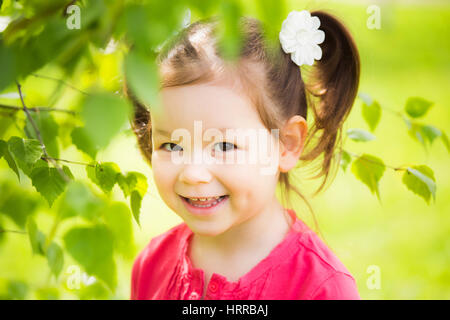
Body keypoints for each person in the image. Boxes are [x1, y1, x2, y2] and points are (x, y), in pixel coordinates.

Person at [127, 9, 361, 300]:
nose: (193, 173)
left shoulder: (319, 288)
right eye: (173, 146)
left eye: (224, 146)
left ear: (285, 144)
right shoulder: (151, 266)